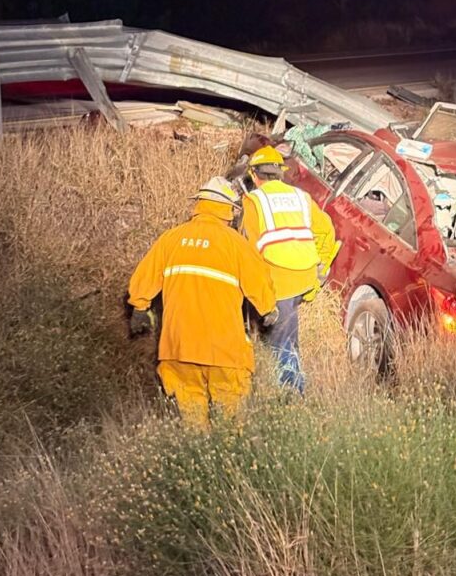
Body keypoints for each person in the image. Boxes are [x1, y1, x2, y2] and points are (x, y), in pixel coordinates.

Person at [127, 176, 278, 429]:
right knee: (232, 427)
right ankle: (228, 465)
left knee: (193, 425)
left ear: (198, 205)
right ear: (230, 210)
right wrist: (268, 310)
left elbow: (143, 279)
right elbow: (261, 286)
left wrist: (139, 308)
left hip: (178, 349)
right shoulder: (235, 244)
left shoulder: (171, 239)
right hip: (224, 352)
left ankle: (197, 459)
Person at [240, 146, 336, 394]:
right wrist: (321, 265)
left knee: (280, 339)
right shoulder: (301, 197)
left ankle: (292, 392)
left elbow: (248, 248)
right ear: (280, 173)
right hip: (304, 277)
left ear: (253, 175)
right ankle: (290, 375)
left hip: (278, 278)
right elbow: (326, 230)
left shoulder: (253, 201)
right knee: (288, 330)